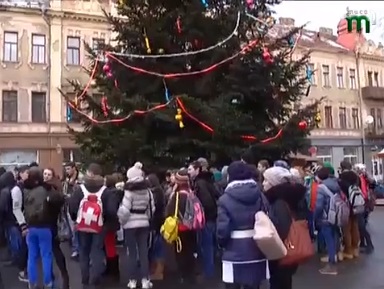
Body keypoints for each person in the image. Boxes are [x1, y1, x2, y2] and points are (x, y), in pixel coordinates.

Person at [217, 161, 268, 289]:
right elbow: (269, 217)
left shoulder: (225, 199)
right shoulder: (260, 195)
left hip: (234, 250)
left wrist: (221, 243)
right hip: (257, 248)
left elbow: (223, 229)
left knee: (233, 285)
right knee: (253, 285)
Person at [68, 163, 114, 289]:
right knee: (97, 251)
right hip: (99, 226)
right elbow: (111, 210)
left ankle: (85, 279)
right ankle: (96, 279)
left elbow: (72, 207)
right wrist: (105, 222)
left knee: (83, 252)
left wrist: (76, 219)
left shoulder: (80, 189)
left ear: (89, 173)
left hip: (82, 226)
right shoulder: (106, 191)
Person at [263, 166, 308, 289]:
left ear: (275, 183)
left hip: (281, 252)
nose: (263, 183)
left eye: (267, 180)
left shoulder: (278, 202)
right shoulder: (290, 198)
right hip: (288, 250)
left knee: (279, 283)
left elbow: (282, 228)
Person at [24, 167, 64, 289]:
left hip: (31, 227)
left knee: (32, 256)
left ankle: (32, 282)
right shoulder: (46, 190)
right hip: (45, 227)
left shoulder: (27, 191)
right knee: (46, 255)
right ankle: (48, 282)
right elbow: (59, 199)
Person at [117, 162, 155, 289]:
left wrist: (122, 220)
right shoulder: (148, 191)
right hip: (144, 223)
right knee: (144, 252)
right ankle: (145, 280)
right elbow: (151, 208)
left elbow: (125, 210)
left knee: (132, 253)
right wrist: (146, 218)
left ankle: (132, 280)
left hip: (130, 224)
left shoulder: (129, 191)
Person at [165, 169, 198, 284]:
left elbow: (169, 211)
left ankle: (183, 275)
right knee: (190, 250)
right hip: (191, 227)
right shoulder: (191, 193)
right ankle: (191, 274)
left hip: (180, 228)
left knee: (180, 252)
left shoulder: (177, 195)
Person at [188, 160, 219, 279]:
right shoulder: (207, 180)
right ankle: (210, 271)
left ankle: (208, 273)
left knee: (206, 246)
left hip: (205, 219)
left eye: (190, 169)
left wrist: (202, 215)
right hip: (211, 217)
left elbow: (207, 202)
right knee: (209, 245)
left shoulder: (199, 183)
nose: (189, 172)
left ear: (197, 170)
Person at [42, 168, 69, 289]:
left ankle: (61, 275)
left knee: (53, 250)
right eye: (45, 174)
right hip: (48, 223)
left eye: (49, 174)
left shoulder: (53, 189)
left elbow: (59, 202)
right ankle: (60, 275)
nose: (46, 176)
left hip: (52, 223)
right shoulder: (43, 188)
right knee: (52, 250)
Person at [0, 171, 28, 282]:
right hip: (13, 221)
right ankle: (19, 264)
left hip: (8, 221)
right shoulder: (13, 190)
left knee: (14, 243)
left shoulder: (5, 191)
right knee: (18, 245)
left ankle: (15, 261)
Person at [314, 167, 339, 275]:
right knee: (334, 238)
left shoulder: (321, 188)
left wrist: (315, 217)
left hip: (325, 217)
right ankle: (334, 257)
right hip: (335, 215)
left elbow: (319, 206)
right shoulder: (336, 184)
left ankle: (331, 264)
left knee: (328, 240)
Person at [146, 173, 165, 280]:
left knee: (156, 248)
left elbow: (154, 208)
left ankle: (158, 272)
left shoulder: (156, 193)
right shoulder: (160, 191)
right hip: (159, 222)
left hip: (156, 223)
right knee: (157, 247)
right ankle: (158, 271)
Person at [103, 174, 121, 282]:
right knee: (110, 246)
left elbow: (111, 210)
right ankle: (112, 269)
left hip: (109, 223)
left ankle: (113, 270)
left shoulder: (110, 194)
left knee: (110, 246)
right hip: (113, 223)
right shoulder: (115, 193)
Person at [63, 162, 80, 259]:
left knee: (75, 229)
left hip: (75, 208)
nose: (67, 171)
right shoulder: (67, 179)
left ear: (74, 168)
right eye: (66, 169)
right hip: (67, 206)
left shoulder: (79, 180)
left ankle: (76, 249)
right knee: (71, 230)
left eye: (68, 169)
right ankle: (75, 248)